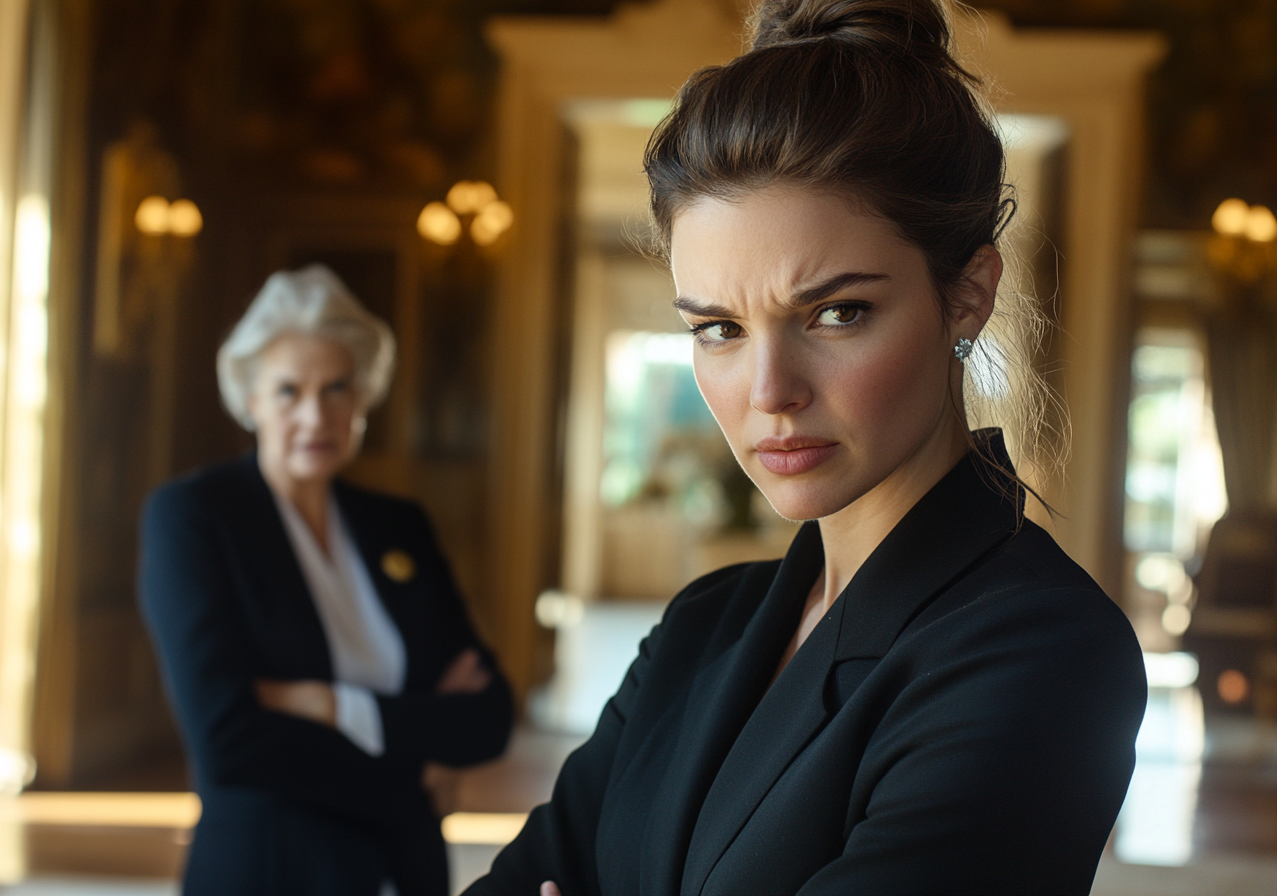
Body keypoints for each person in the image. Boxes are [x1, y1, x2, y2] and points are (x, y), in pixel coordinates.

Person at [466, 2, 1146, 894]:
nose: (768, 391)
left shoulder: (1042, 652)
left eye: (836, 312)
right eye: (718, 328)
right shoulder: (700, 627)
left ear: (970, 292)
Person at [140, 265, 513, 896]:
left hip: (408, 868)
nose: (316, 415)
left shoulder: (398, 526)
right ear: (250, 399)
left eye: (337, 388)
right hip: (270, 870)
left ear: (363, 398)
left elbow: (489, 714)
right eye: (288, 391)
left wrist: (329, 705)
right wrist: (416, 763)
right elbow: (227, 738)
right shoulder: (195, 517)